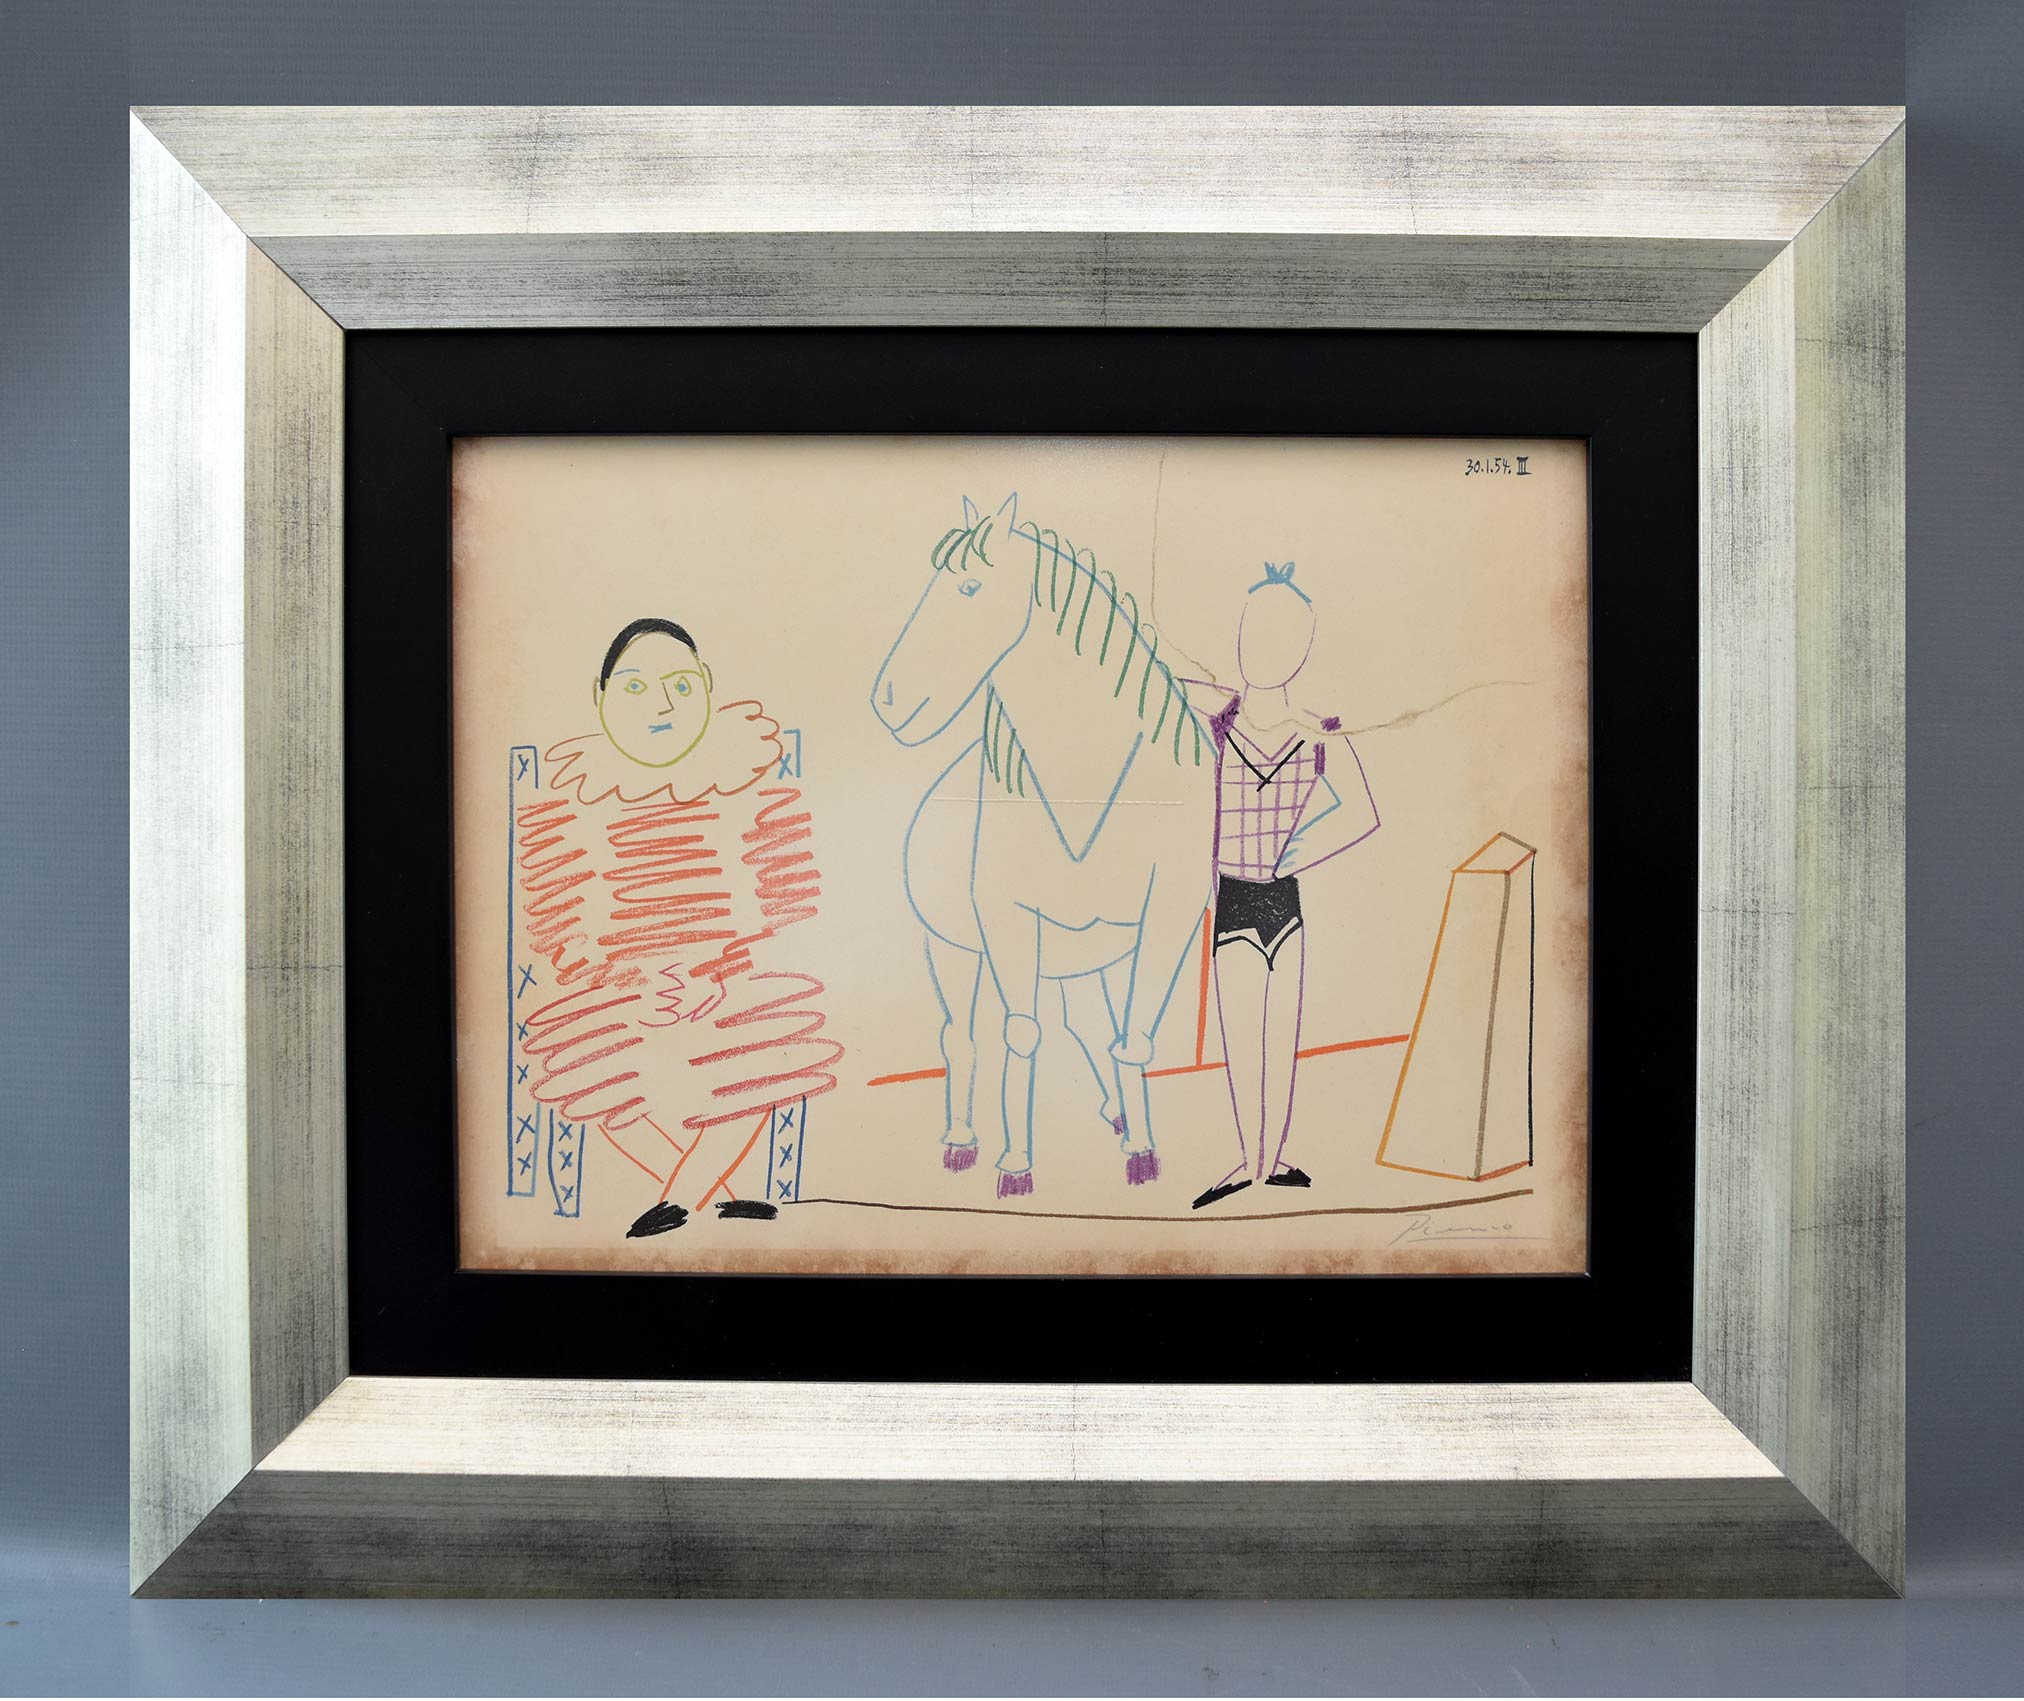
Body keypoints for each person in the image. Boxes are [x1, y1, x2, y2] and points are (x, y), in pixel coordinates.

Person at [1181, 563, 1380, 1209]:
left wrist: (1293, 852)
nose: (1263, 647)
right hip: (1234, 898)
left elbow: (1361, 812)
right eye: (1253, 630)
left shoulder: (1318, 732)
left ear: (1302, 647)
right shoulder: (1217, 719)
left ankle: (1272, 1159)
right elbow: (1163, 680)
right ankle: (1252, 1161)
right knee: (1243, 1041)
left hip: (1283, 899)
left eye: (1281, 635)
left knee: (1280, 1041)